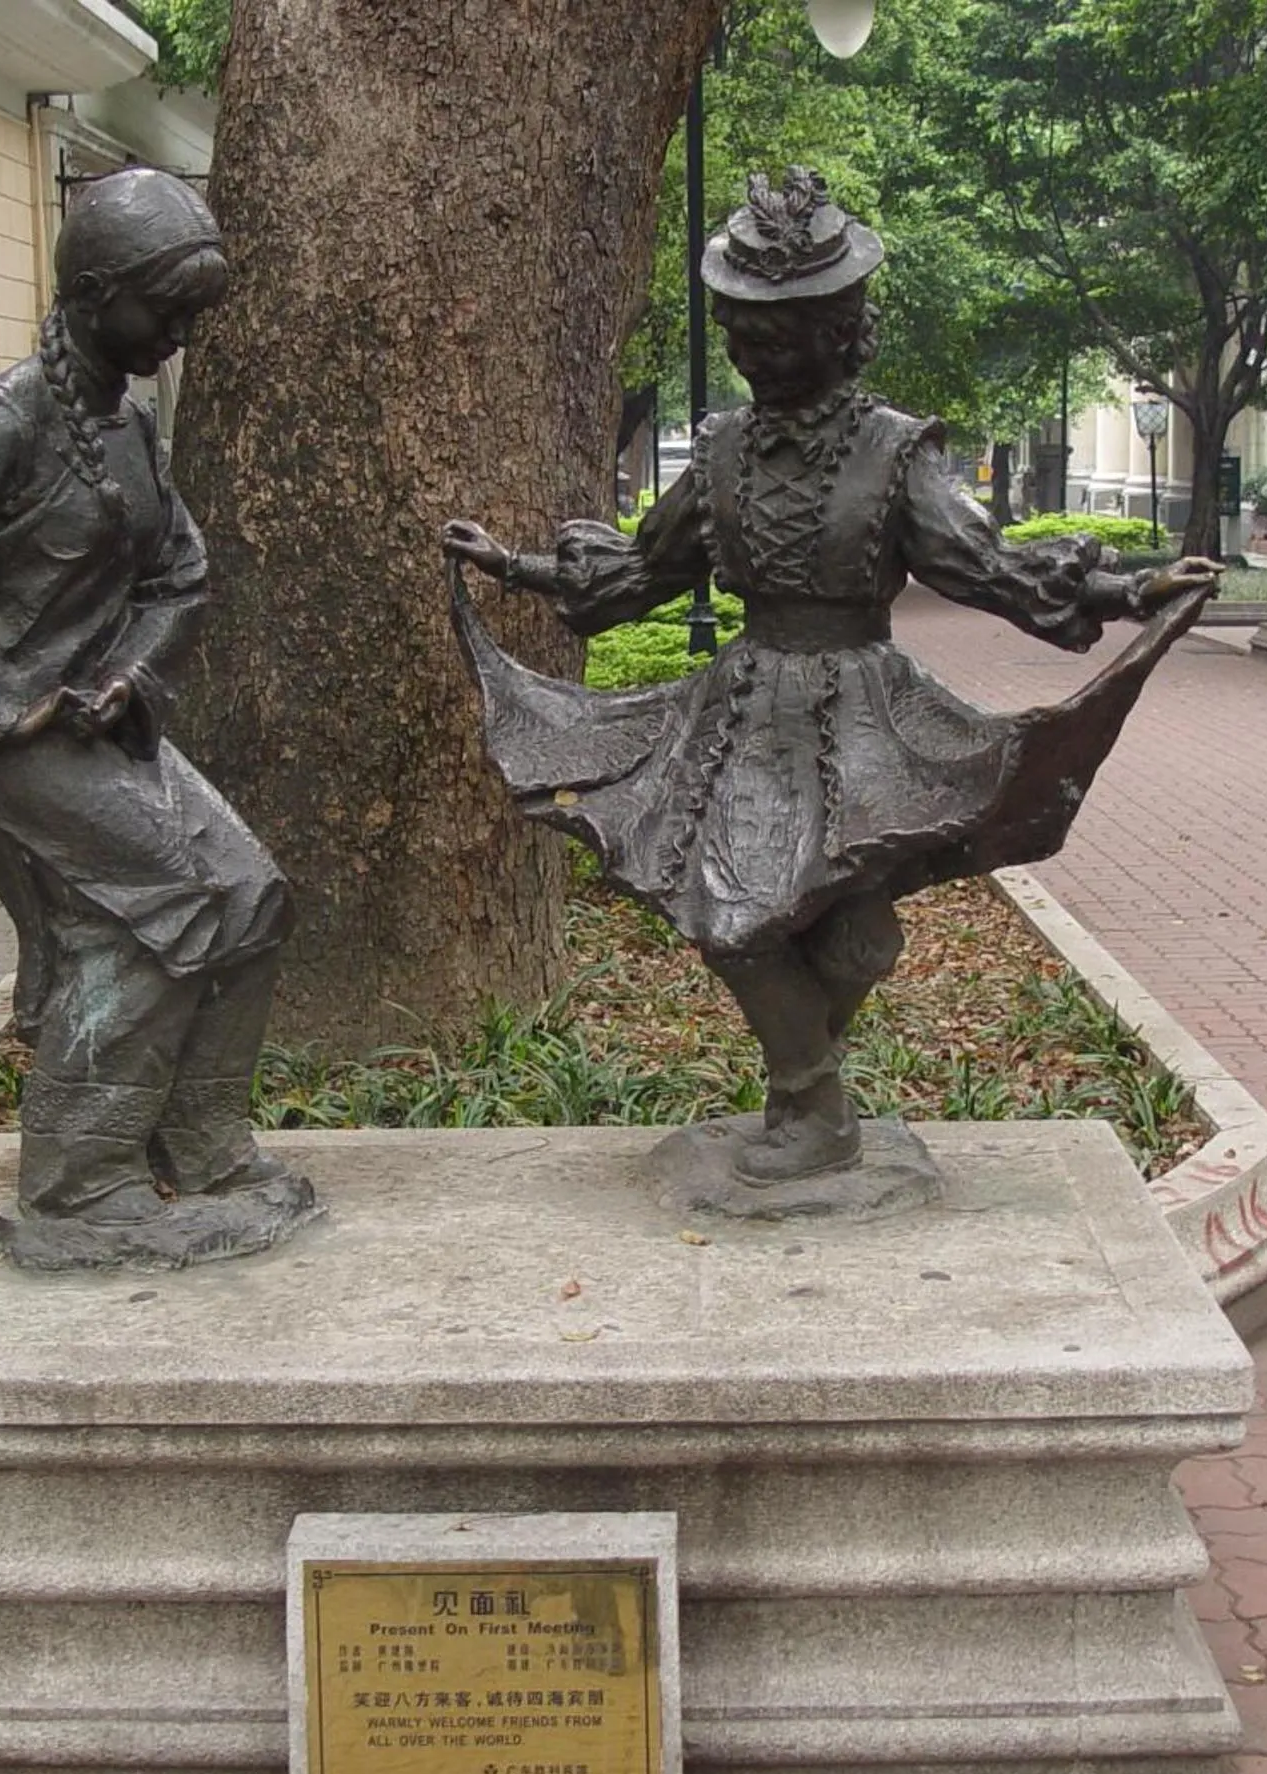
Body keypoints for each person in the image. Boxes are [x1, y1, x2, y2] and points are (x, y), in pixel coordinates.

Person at [445, 168, 1219, 1187]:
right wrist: (515, 567)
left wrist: (1128, 589)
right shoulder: (720, 449)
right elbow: (644, 569)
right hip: (743, 714)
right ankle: (812, 1103)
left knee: (854, 939)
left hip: (864, 717)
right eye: (742, 337)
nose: (756, 357)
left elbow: (983, 567)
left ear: (842, 333)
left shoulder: (894, 453)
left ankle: (805, 1103)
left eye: (780, 337)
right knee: (736, 917)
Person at [0, 168, 311, 1267]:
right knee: (166, 909)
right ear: (97, 294)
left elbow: (181, 575)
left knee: (251, 895)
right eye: (169, 309)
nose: (182, 334)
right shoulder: (7, 420)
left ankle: (203, 1145)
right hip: (19, 743)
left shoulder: (129, 425)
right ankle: (79, 1182)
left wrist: (129, 677)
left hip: (105, 731)